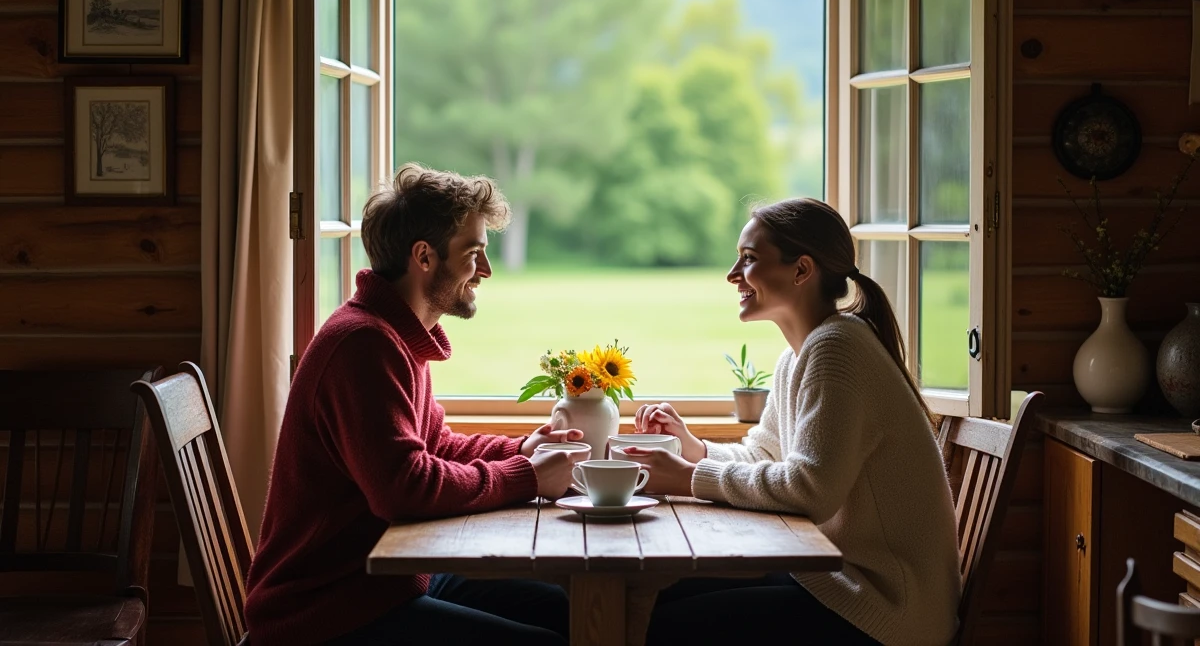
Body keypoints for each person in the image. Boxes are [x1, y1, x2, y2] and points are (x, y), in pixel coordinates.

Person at [244, 164, 585, 646]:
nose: (485, 271)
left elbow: (434, 446)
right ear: (424, 256)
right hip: (325, 613)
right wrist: (525, 477)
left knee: (569, 612)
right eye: (474, 254)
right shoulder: (363, 344)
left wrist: (520, 450)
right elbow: (404, 488)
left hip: (386, 585)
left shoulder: (395, 334)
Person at [625, 198, 962, 646]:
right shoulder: (799, 355)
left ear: (801, 270)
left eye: (748, 259)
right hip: (838, 580)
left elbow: (810, 490)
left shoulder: (838, 349)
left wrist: (690, 477)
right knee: (656, 597)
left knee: (666, 626)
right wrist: (694, 448)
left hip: (886, 612)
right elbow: (766, 454)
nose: (732, 274)